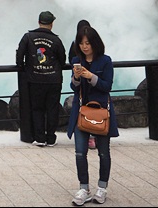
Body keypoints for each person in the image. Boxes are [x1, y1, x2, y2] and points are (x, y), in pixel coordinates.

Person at [67, 25, 119, 206]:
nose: (84, 47)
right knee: (80, 153)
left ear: (95, 43)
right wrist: (76, 77)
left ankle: (102, 188)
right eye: (81, 43)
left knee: (104, 153)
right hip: (81, 111)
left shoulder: (105, 61)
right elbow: (73, 88)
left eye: (88, 43)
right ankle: (84, 188)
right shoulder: (76, 60)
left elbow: (107, 86)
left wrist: (91, 76)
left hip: (101, 112)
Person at [16, 10, 66, 147]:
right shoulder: (56, 40)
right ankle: (50, 138)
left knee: (37, 109)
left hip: (35, 79)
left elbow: (19, 54)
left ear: (39, 22)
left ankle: (39, 138)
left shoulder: (28, 37)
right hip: (54, 80)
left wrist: (22, 67)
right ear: (52, 24)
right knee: (52, 109)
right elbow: (62, 59)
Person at [68, 20, 96, 150]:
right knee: (92, 109)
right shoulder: (86, 45)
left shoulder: (75, 44)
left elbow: (69, 59)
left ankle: (86, 134)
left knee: (82, 109)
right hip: (85, 83)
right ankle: (92, 135)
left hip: (83, 84)